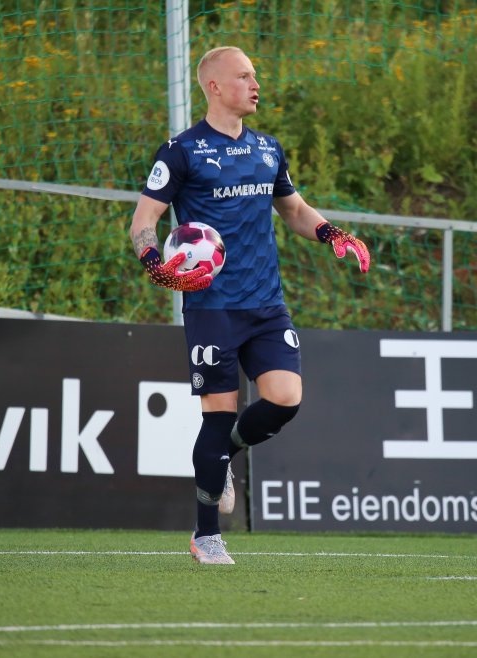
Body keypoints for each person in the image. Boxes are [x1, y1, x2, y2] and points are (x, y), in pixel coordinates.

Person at [129, 46, 370, 565]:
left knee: (286, 398)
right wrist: (154, 263)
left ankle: (226, 456)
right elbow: (144, 220)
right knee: (217, 417)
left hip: (266, 303)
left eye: (255, 75)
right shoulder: (181, 151)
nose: (255, 84)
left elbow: (294, 210)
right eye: (244, 76)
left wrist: (332, 233)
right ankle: (206, 536)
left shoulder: (268, 149)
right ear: (214, 86)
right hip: (212, 306)